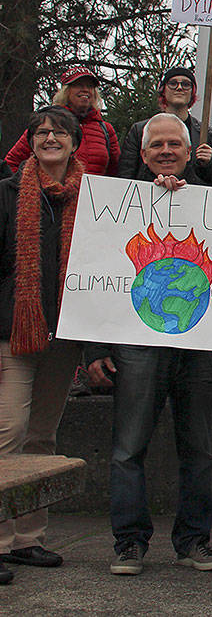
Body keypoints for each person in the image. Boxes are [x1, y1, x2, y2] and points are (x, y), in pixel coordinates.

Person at [84, 113, 212, 576]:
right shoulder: (115, 202)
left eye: (175, 144)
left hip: (201, 342)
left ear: (189, 152)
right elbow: (96, 275)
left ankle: (194, 542)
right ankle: (129, 543)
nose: (166, 151)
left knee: (199, 447)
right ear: (143, 154)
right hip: (135, 343)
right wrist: (94, 349)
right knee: (128, 447)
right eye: (157, 145)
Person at [0, 107, 86, 585]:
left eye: (59, 132)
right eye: (41, 132)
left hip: (63, 336)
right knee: (7, 433)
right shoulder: (7, 194)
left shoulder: (91, 197)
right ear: (30, 142)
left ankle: (28, 539)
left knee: (41, 437)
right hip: (12, 332)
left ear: (75, 143)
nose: (50, 137)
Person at [118, 67, 212, 184]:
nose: (179, 88)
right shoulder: (140, 131)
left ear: (192, 92)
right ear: (163, 90)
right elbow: (124, 178)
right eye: (173, 83)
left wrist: (209, 166)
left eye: (186, 84)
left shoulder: (209, 136)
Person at [5, 66, 119, 175]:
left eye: (90, 86)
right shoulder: (45, 124)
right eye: (79, 85)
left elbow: (116, 171)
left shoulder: (105, 130)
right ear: (66, 91)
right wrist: (25, 189)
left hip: (94, 194)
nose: (85, 90)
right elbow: (11, 163)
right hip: (52, 193)